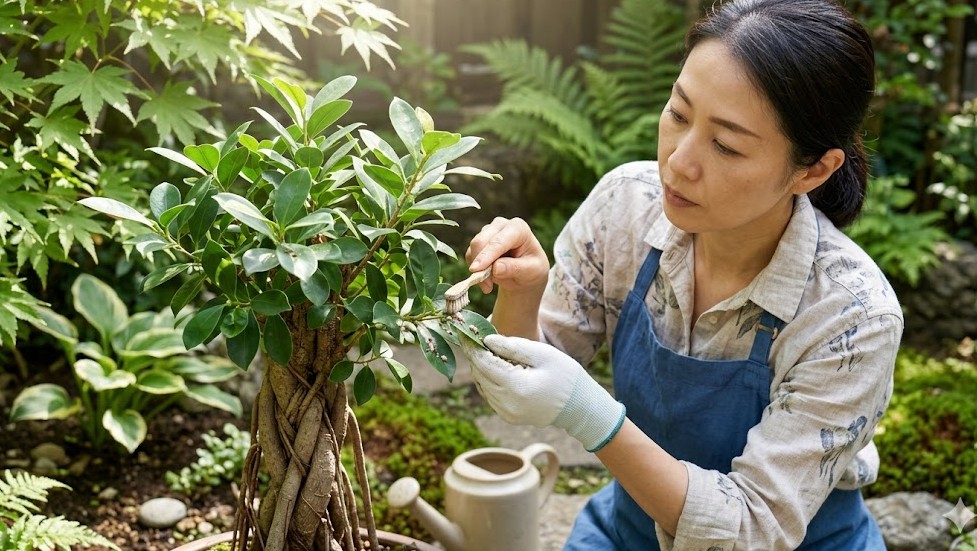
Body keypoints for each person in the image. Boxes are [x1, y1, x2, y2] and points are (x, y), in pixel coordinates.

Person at [458, 0, 904, 549]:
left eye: (726, 145)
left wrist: (590, 413)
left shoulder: (851, 316)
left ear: (812, 169)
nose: (678, 162)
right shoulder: (625, 206)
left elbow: (750, 529)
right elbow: (523, 390)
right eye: (678, 113)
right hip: (631, 531)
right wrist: (522, 297)